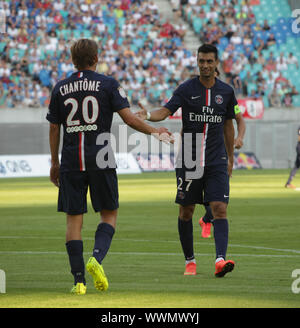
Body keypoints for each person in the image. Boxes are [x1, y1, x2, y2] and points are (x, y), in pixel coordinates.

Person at [46, 39, 173, 295]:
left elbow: (53, 127)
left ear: (73, 60)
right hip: (101, 156)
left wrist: (54, 162)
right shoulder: (108, 84)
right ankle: (96, 258)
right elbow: (128, 119)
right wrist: (154, 132)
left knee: (74, 222)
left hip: (71, 160)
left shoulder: (60, 88)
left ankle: (79, 282)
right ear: (96, 58)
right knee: (109, 214)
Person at [136, 44, 238, 278]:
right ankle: (190, 261)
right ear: (197, 62)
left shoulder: (227, 92)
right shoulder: (186, 89)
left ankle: (220, 260)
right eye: (201, 61)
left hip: (216, 159)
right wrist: (149, 115)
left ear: (216, 63)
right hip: (189, 157)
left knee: (220, 208)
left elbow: (228, 126)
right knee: (186, 211)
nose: (205, 65)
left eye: (209, 61)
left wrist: (230, 158)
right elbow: (166, 110)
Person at [199, 67, 246, 239]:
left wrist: (239, 138)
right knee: (201, 198)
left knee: (218, 202)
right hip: (197, 153)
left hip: (218, 154)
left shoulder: (226, 97)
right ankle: (206, 219)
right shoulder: (198, 99)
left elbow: (239, 120)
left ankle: (206, 220)